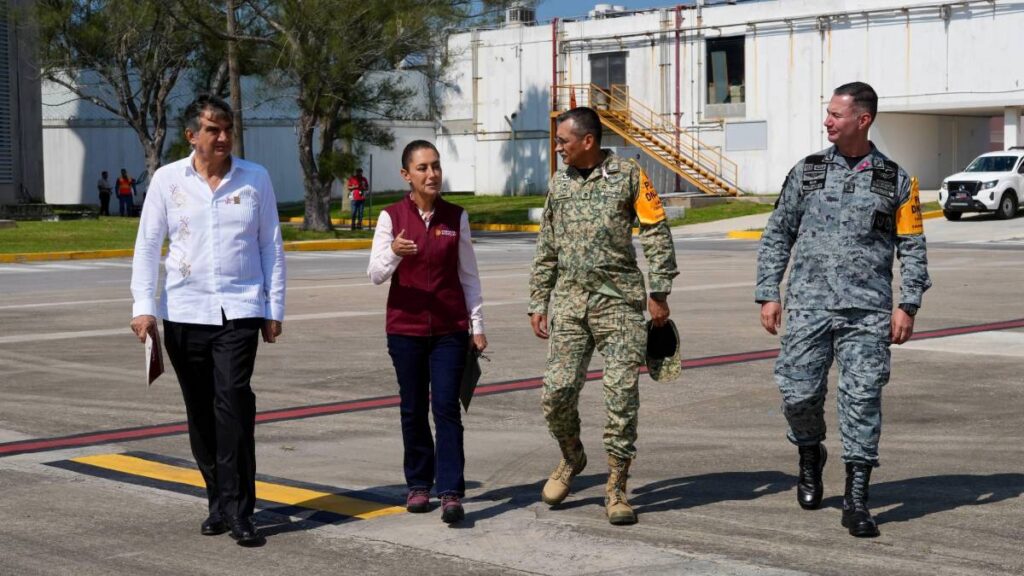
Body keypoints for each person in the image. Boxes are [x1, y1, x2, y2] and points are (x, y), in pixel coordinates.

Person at [755, 82, 931, 538]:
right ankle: (810, 454)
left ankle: (856, 499)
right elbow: (778, 233)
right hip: (809, 307)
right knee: (797, 394)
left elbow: (912, 247)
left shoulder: (896, 180)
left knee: (862, 400)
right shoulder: (807, 172)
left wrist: (907, 304)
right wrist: (768, 292)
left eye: (836, 114)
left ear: (863, 119)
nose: (827, 121)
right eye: (827, 113)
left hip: (867, 313)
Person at [129, 94, 286, 547]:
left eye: (227, 129)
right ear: (191, 136)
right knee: (200, 411)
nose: (222, 138)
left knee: (233, 402)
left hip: (239, 310)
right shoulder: (166, 181)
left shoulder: (255, 178)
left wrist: (273, 309)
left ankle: (241, 511)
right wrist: (144, 307)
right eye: (212, 130)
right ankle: (217, 500)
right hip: (184, 312)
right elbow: (147, 245)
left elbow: (270, 246)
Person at [528, 107, 678, 526]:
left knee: (620, 397)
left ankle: (616, 487)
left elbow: (655, 231)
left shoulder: (629, 175)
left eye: (563, 141)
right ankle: (572, 458)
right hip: (572, 305)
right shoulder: (559, 184)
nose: (558, 148)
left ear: (588, 141)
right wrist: (538, 299)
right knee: (555, 392)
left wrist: (659, 291)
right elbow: (547, 246)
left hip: (620, 306)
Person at [367, 140, 486, 525]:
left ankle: (450, 490)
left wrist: (477, 325)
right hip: (405, 329)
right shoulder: (391, 217)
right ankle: (419, 484)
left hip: (450, 329)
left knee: (447, 408)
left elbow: (468, 275)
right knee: (413, 408)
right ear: (407, 175)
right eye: (422, 168)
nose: (431, 174)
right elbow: (374, 275)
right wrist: (394, 254)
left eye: (435, 166)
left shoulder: (456, 217)